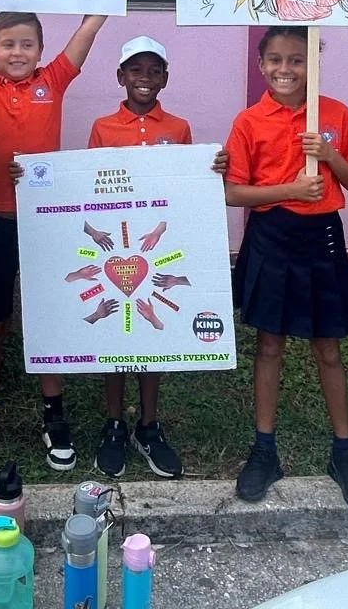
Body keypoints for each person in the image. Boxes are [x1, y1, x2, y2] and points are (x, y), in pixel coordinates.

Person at [0, 0, 132, 474]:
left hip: (45, 220)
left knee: (47, 319)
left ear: (41, 51)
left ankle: (54, 413)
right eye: (7, 44)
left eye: (27, 44)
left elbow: (91, 24)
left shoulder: (56, 79)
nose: (17, 52)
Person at [224, 25, 348, 508]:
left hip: (322, 237)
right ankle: (264, 449)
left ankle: (344, 451)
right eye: (276, 60)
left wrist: (328, 154)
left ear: (313, 64)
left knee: (327, 347)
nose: (285, 70)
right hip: (272, 235)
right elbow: (233, 192)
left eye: (297, 60)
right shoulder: (249, 121)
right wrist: (289, 190)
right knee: (269, 344)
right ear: (261, 64)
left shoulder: (335, 114)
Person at [83, 36, 229, 480]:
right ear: (120, 77)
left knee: (152, 335)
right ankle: (114, 424)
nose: (144, 79)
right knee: (115, 335)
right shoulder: (104, 126)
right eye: (135, 70)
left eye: (154, 71)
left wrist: (211, 170)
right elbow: (89, 184)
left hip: (157, 247)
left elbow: (186, 184)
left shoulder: (180, 128)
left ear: (165, 78)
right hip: (116, 246)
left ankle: (148, 423)